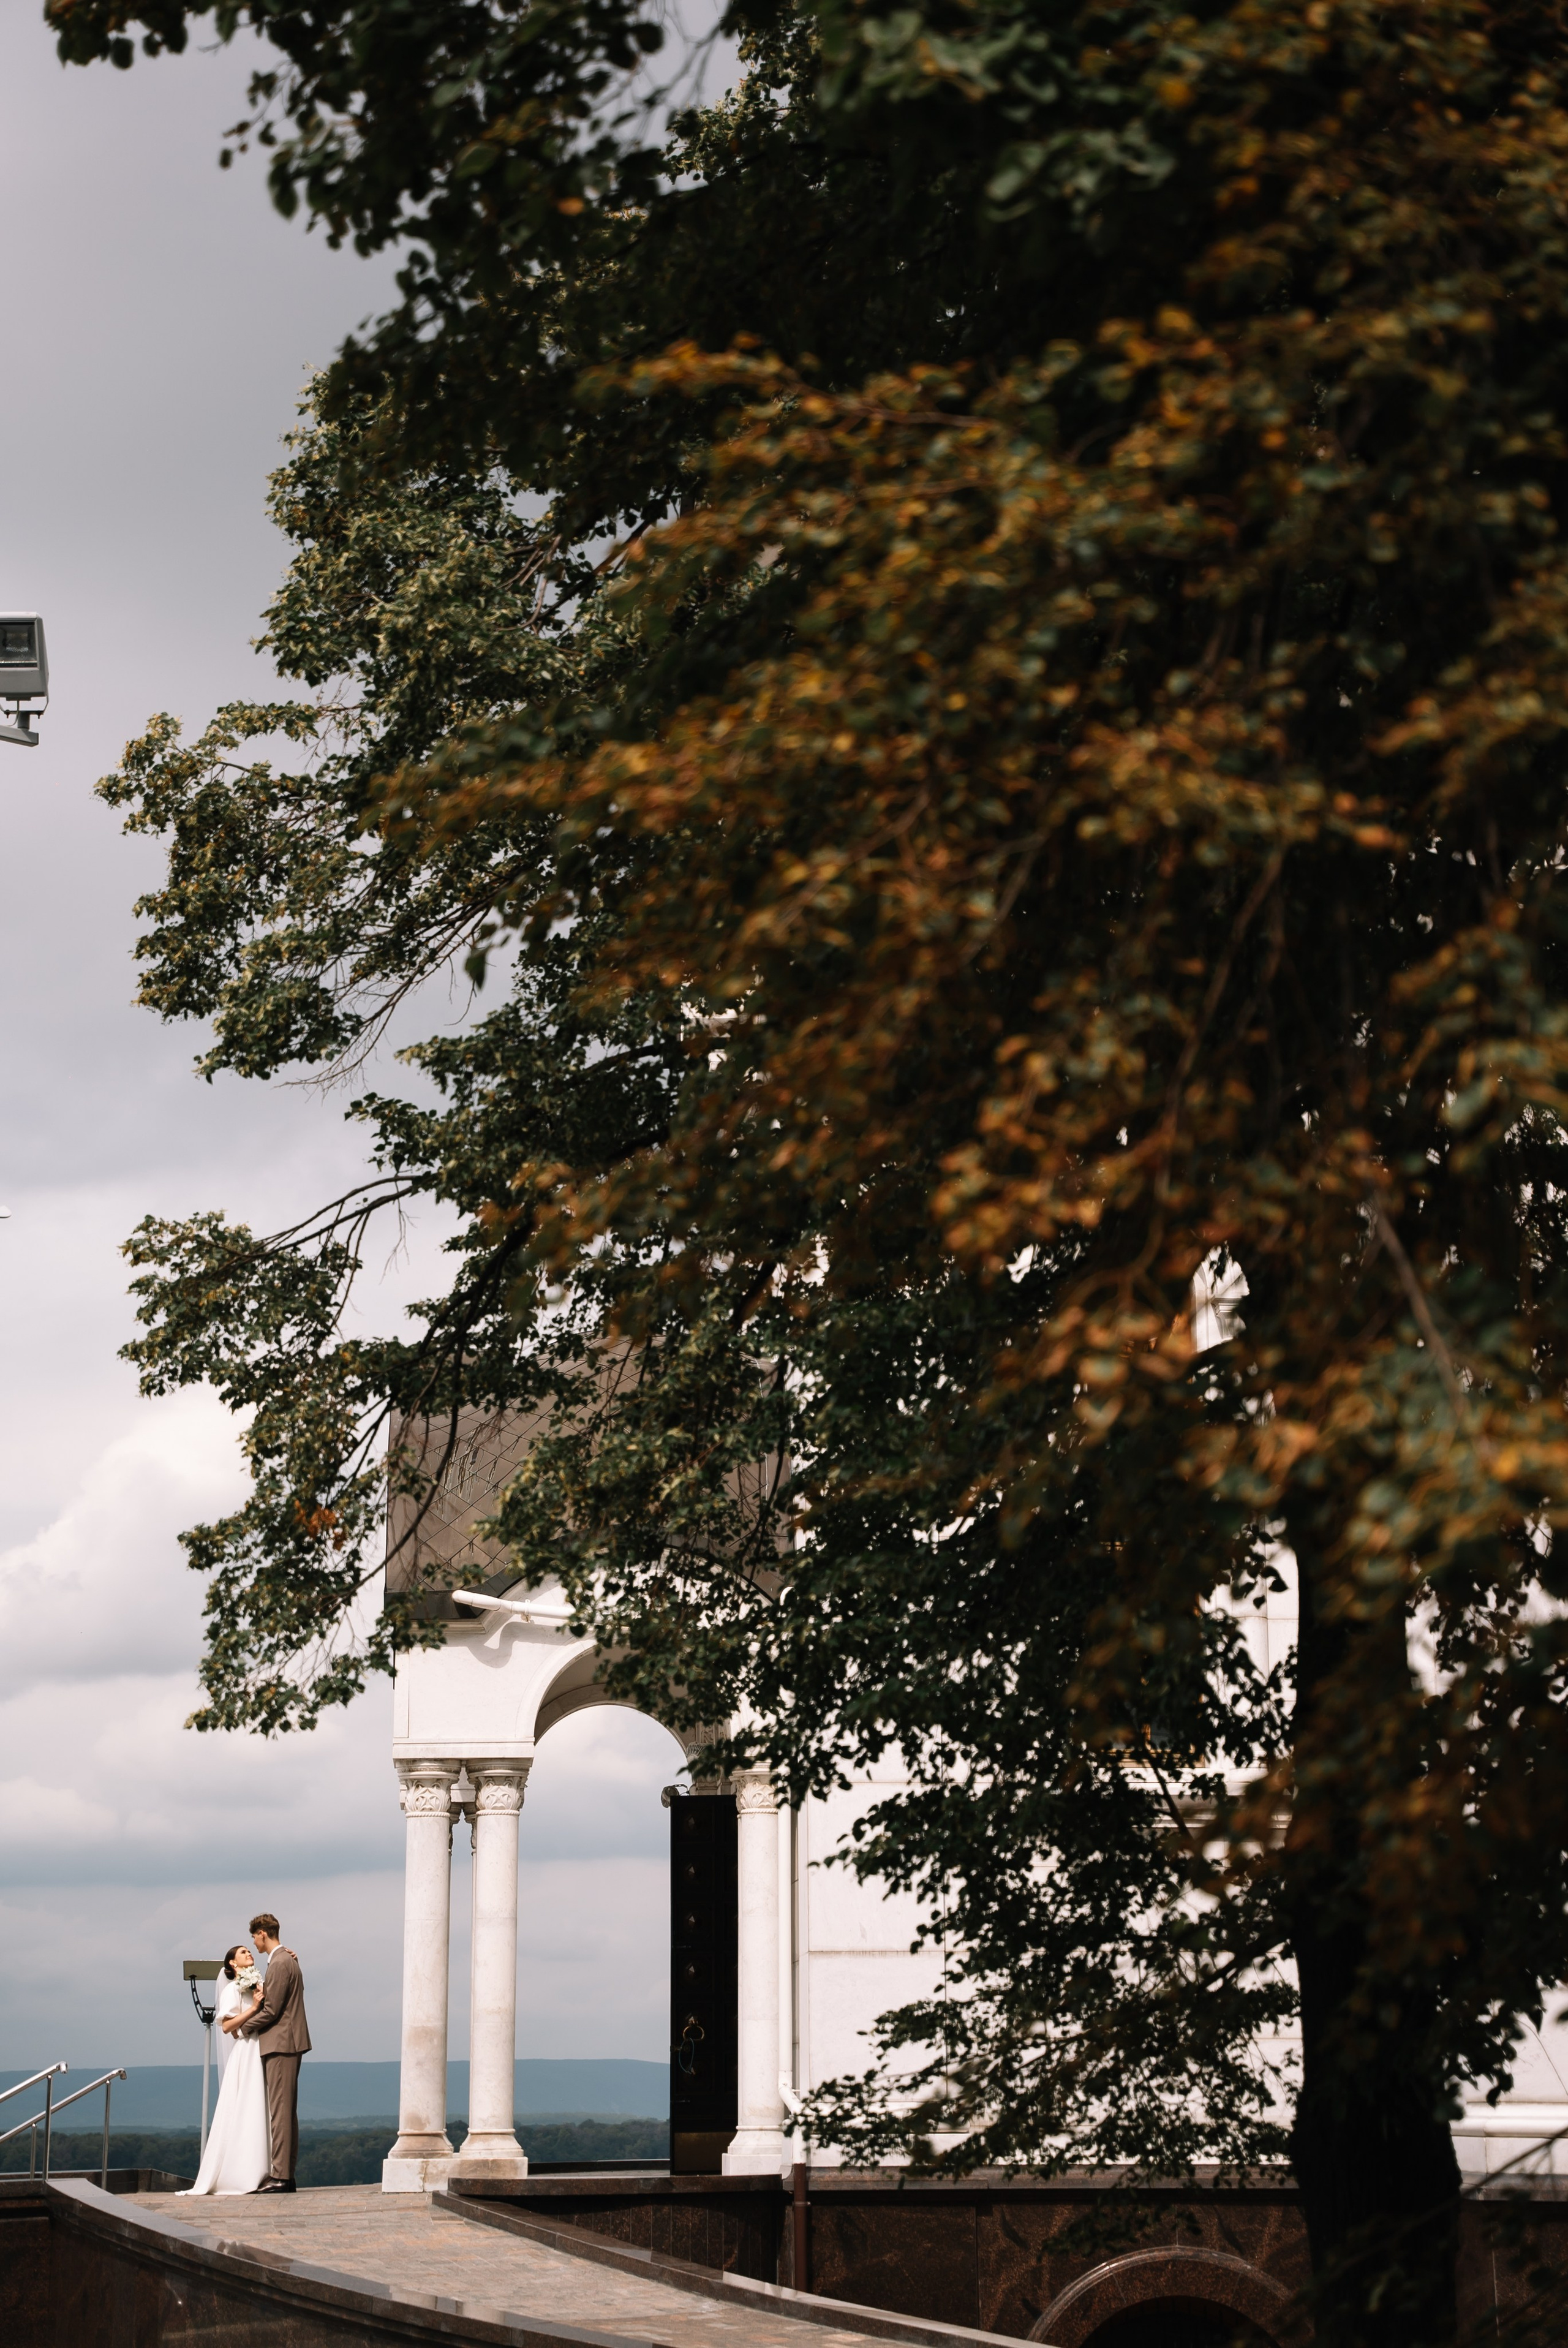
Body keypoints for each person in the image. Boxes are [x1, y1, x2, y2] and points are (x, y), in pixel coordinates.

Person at [179, 1946, 270, 2195]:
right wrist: (254, 2008)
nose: (249, 1953)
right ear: (232, 1964)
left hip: (263, 2047)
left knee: (262, 2107)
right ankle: (242, 2172)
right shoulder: (233, 1989)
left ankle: (264, 2168)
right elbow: (227, 2026)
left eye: (250, 1951)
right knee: (245, 2106)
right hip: (247, 2050)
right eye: (243, 1952)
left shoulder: (260, 1985)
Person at [241, 1911, 311, 2193]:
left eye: (254, 1938)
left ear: (262, 1934)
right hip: (287, 2042)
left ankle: (281, 2176)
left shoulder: (281, 1963)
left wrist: (244, 2027)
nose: (255, 1945)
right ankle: (285, 2174)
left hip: (282, 2043)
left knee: (280, 2112)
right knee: (286, 2112)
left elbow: (272, 2010)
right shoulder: (287, 1960)